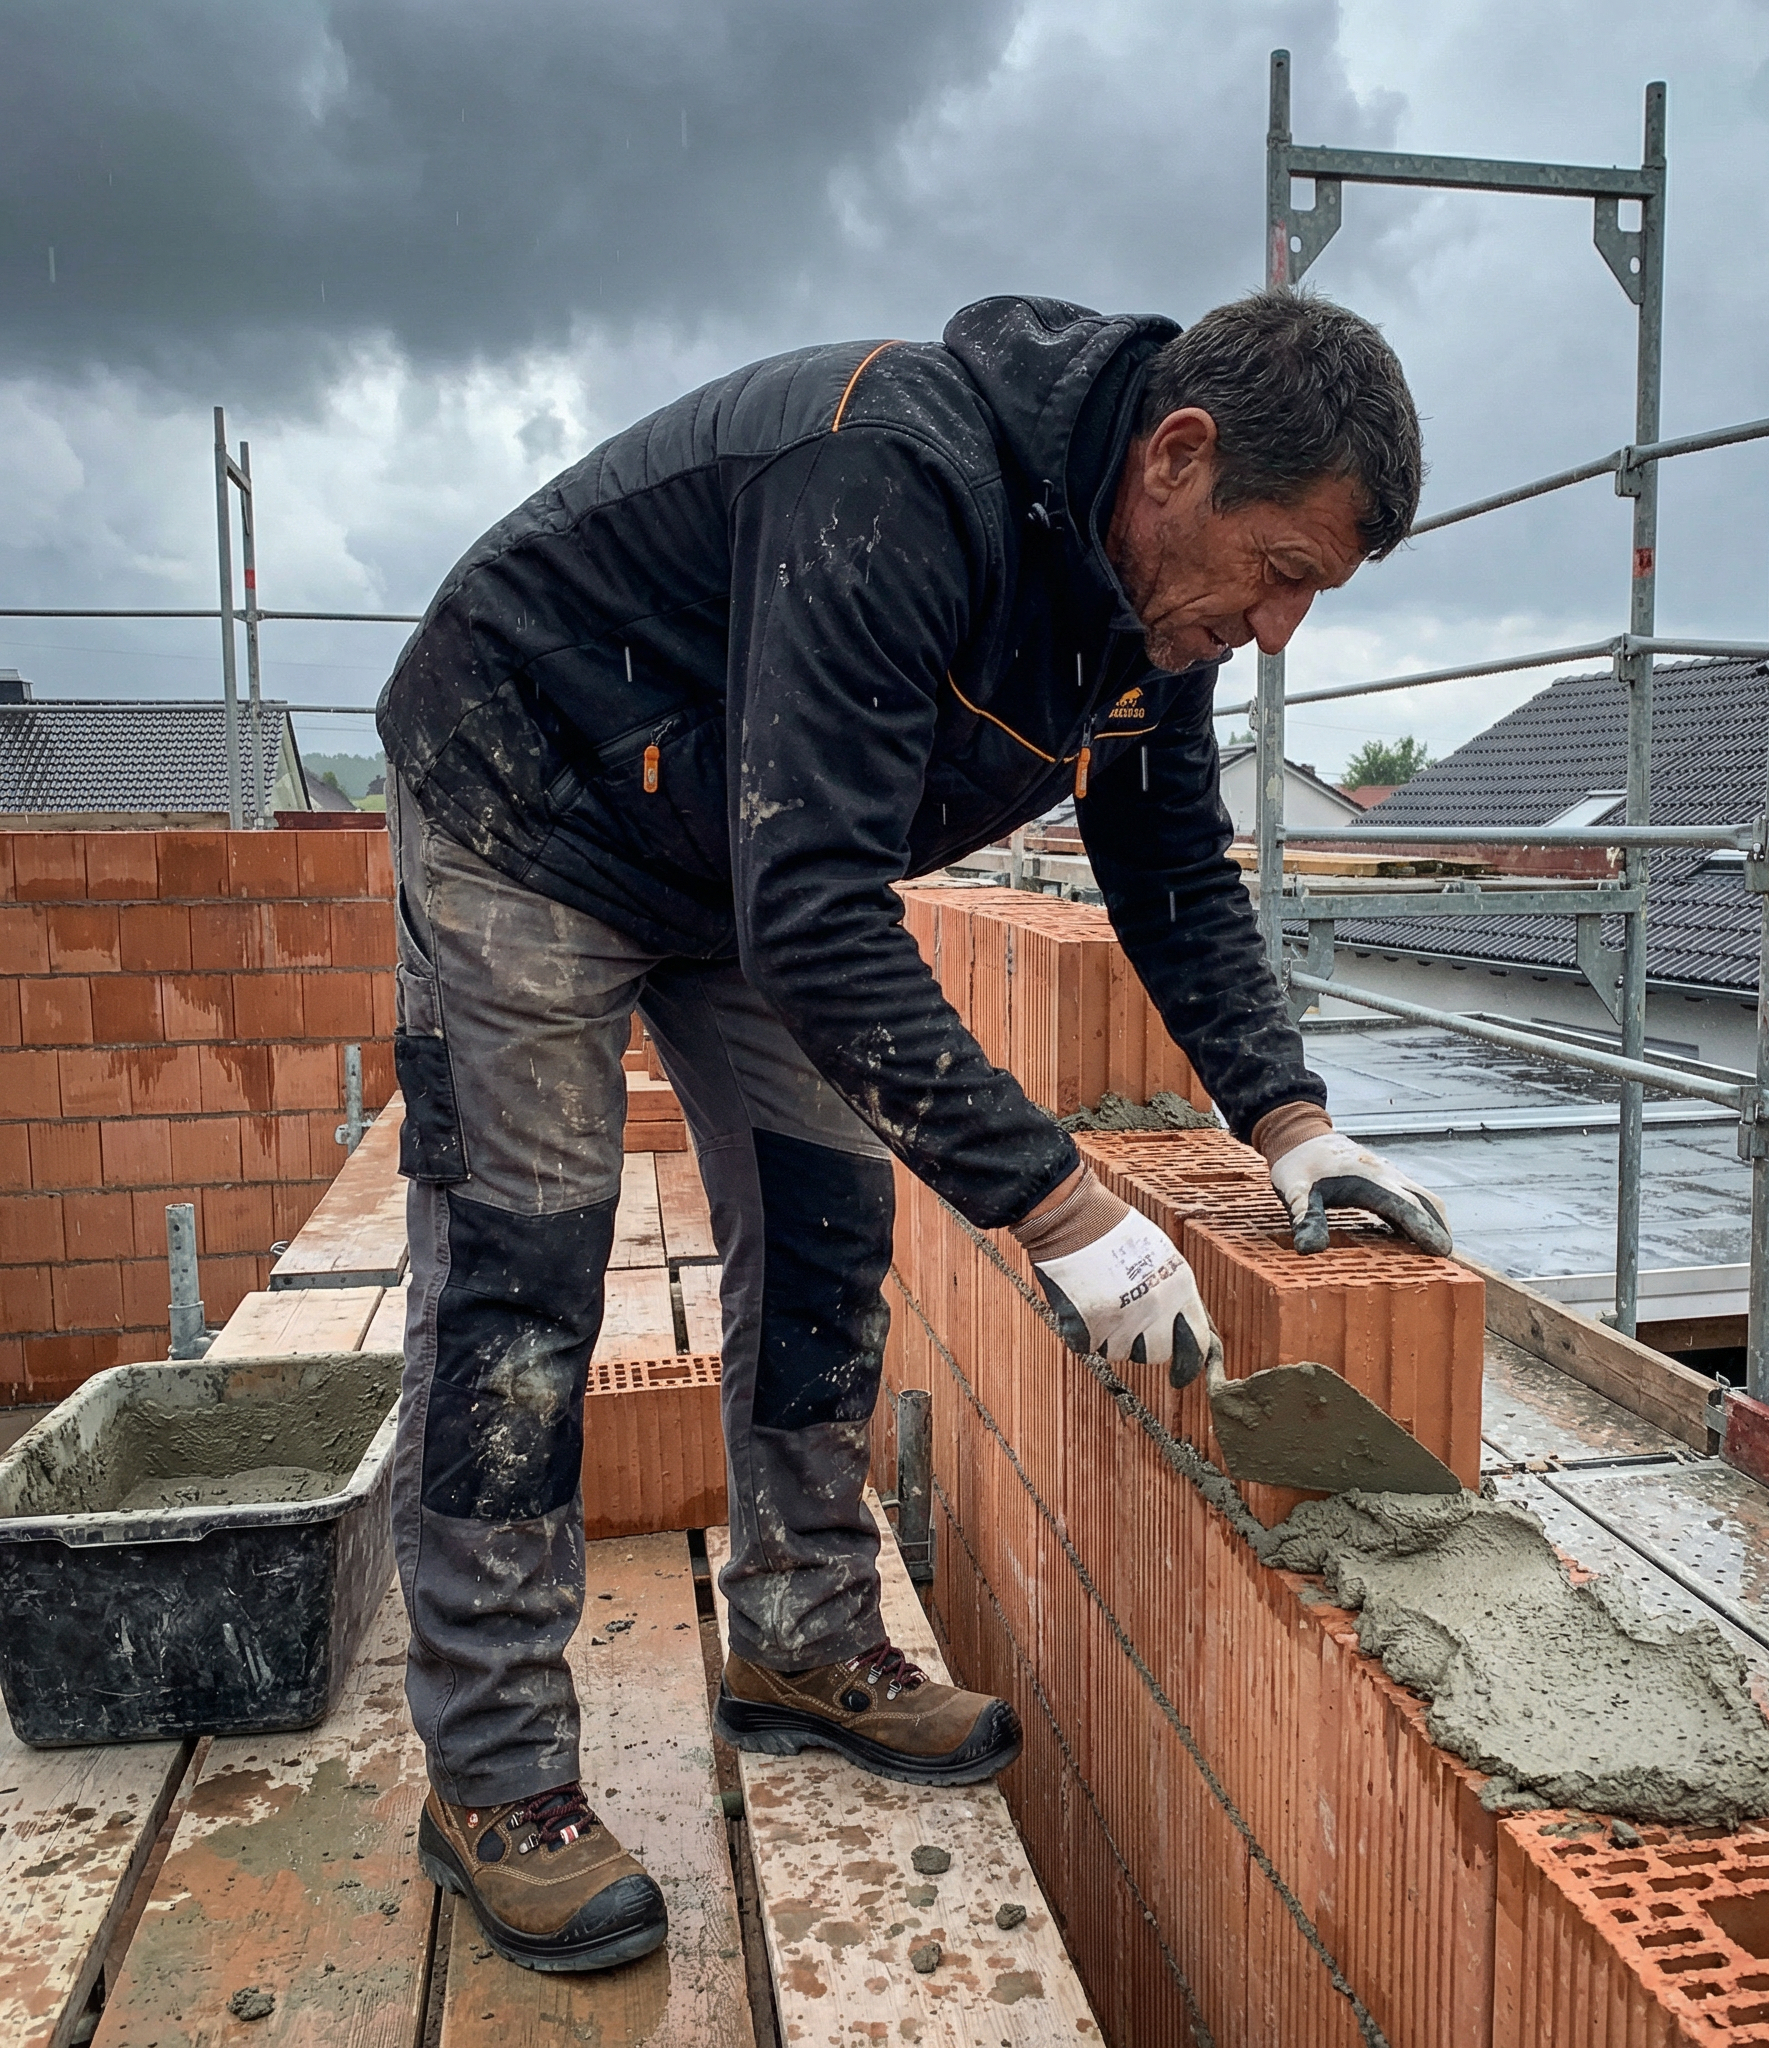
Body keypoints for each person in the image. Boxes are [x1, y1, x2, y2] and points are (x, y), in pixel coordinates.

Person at [375, 288, 1451, 1974]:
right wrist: (1064, 1209)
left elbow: (1171, 870)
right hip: (531, 795)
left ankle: (800, 1636)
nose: (1277, 627)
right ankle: (495, 1775)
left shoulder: (1146, 606)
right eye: (1281, 570)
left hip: (735, 848)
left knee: (825, 1223)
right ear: (1178, 456)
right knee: (527, 1273)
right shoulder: (889, 478)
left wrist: (1293, 1123)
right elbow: (818, 910)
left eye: (1314, 591)